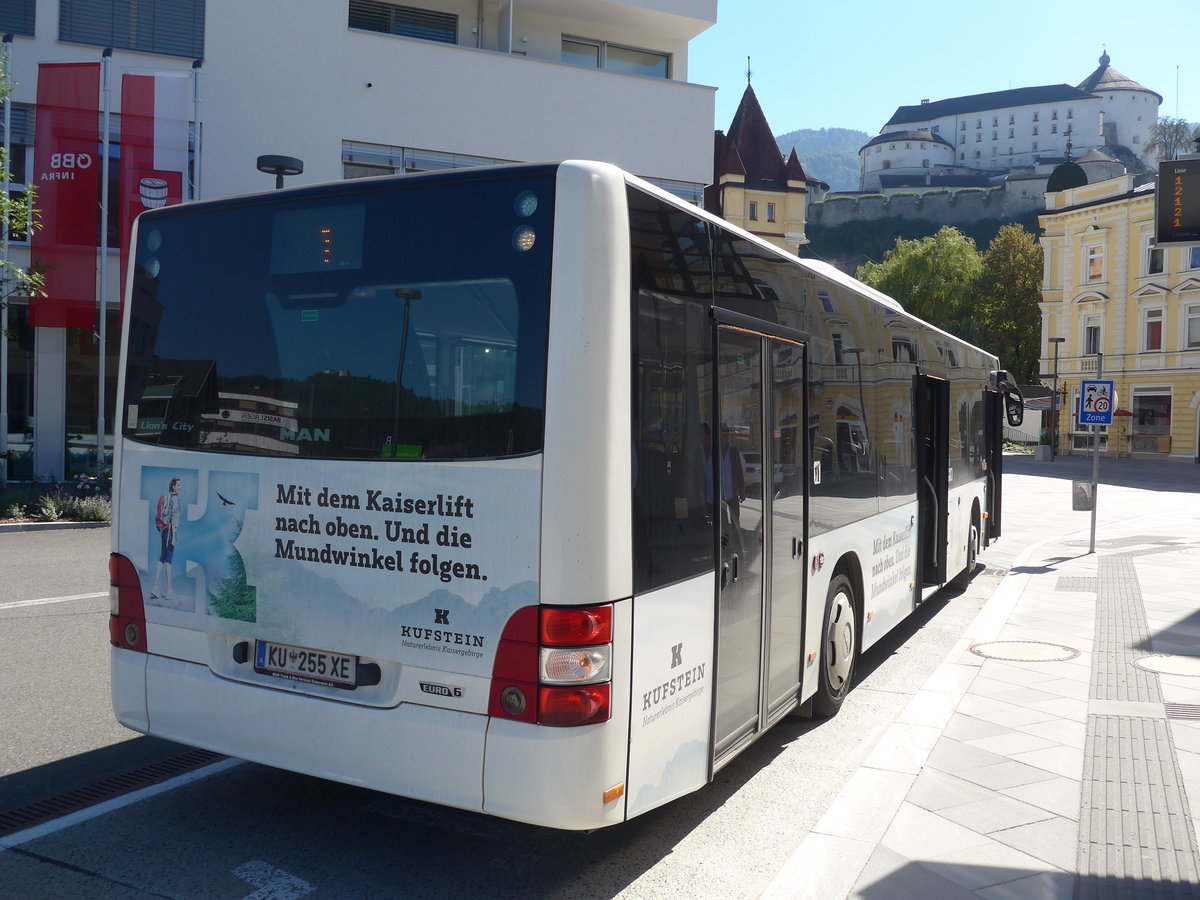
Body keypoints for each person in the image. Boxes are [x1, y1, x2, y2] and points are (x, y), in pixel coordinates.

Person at [150, 477, 182, 600]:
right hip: (170, 532)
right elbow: (173, 520)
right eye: (178, 486)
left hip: (164, 532)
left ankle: (155, 588)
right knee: (169, 560)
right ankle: (169, 591)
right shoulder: (175, 499)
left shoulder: (167, 497)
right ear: (173, 487)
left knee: (162, 557)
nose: (179, 488)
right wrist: (174, 537)